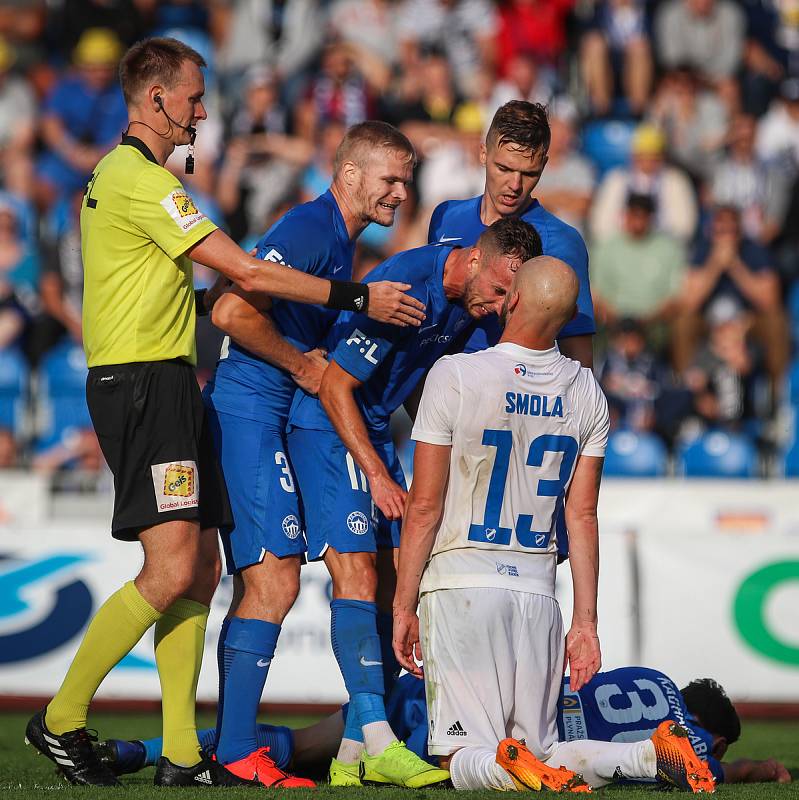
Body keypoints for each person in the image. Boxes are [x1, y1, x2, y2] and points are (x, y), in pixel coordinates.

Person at [23, 36, 423, 789]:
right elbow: (241, 274)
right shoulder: (140, 179)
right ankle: (62, 717)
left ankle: (181, 754)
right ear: (156, 100)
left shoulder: (136, 182)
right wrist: (357, 297)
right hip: (143, 385)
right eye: (194, 97)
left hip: (169, 382)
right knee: (172, 566)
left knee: (202, 570)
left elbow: (204, 294)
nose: (202, 111)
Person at [392, 257, 714, 793]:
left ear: (512, 300)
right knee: (543, 757)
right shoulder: (588, 392)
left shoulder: (454, 374)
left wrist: (403, 603)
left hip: (461, 584)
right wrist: (584, 624)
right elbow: (582, 515)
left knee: (460, 758)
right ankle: (645, 754)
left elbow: (424, 506)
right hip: (538, 591)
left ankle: (510, 763)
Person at [203, 120, 421, 789]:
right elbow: (228, 312)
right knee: (272, 581)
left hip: (270, 416)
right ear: (350, 173)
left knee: (269, 581)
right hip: (249, 411)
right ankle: (234, 750)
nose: (399, 192)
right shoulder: (310, 229)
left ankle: (225, 747)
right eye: (390, 178)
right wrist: (301, 363)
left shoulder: (338, 241)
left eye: (406, 180)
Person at [286, 217, 542, 787]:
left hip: (372, 431)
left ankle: (351, 752)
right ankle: (379, 738)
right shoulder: (408, 286)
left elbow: (418, 386)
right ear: (476, 258)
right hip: (329, 426)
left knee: (402, 581)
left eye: (512, 298)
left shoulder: (467, 301)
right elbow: (335, 385)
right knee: (354, 575)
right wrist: (378, 475)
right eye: (499, 291)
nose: (500, 307)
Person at [99, 667, 791, 787]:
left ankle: (140, 749)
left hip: (448, 691)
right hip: (484, 728)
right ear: (705, 725)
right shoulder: (688, 732)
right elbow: (696, 766)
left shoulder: (643, 675)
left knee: (298, 747)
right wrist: (760, 768)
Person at [427, 100, 595, 370]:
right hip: (442, 393)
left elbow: (579, 359)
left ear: (544, 165)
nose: (515, 185)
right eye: (503, 168)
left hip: (514, 402)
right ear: (483, 153)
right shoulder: (445, 216)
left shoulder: (561, 242)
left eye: (529, 173)